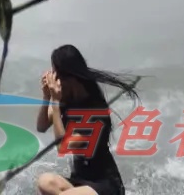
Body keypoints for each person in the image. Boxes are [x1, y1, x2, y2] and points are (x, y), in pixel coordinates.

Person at [34, 43, 135, 195]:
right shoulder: (66, 98)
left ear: (69, 77)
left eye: (56, 75)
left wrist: (55, 102)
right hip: (80, 179)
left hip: (105, 185)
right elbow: (41, 126)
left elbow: (62, 147)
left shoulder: (95, 110)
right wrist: (47, 97)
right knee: (45, 182)